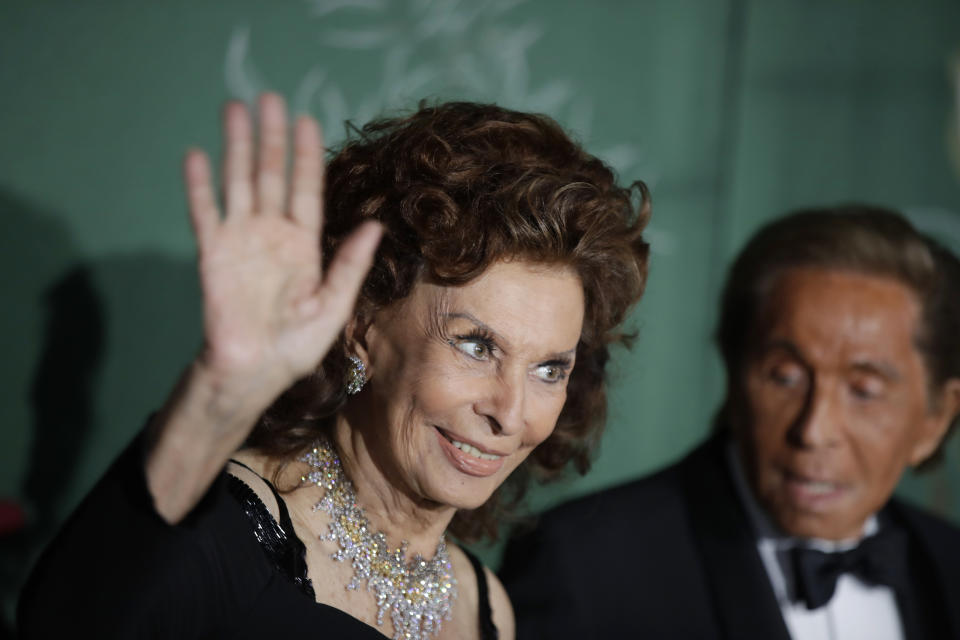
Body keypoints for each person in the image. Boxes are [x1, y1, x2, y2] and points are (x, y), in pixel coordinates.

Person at [17, 94, 650, 639]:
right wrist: (217, 394)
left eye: (548, 370)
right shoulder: (224, 533)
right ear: (362, 326)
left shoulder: (487, 607)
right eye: (476, 346)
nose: (510, 413)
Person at [501, 206, 960, 639]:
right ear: (734, 372)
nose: (815, 431)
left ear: (936, 419)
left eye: (864, 391)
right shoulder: (583, 566)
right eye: (784, 377)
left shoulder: (947, 564)